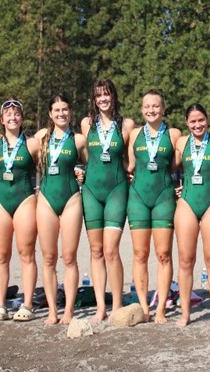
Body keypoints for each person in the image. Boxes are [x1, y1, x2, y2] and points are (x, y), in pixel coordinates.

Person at [80, 79, 135, 322]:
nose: (103, 99)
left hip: (116, 190)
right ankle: (100, 306)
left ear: (114, 96)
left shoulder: (127, 124)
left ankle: (117, 304)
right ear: (94, 99)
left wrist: (134, 171)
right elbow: (83, 153)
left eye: (107, 94)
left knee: (111, 249)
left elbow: (130, 159)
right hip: (91, 191)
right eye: (98, 95)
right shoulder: (86, 123)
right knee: (96, 250)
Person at [127, 90, 181, 323]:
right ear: (141, 110)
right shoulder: (134, 134)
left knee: (163, 255)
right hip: (138, 198)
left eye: (156, 106)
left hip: (163, 198)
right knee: (140, 254)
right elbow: (129, 165)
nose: (151, 110)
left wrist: (182, 185)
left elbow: (183, 161)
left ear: (163, 109)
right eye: (147, 106)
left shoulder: (174, 134)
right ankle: (143, 307)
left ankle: (160, 308)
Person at [174, 104, 210, 327]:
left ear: (207, 120)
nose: (197, 125)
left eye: (201, 120)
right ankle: (185, 313)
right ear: (186, 123)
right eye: (192, 121)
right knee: (186, 260)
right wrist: (176, 186)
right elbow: (169, 167)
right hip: (187, 203)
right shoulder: (180, 143)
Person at [35, 94, 88, 324]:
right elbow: (15, 148)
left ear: (70, 112)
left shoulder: (78, 140)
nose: (61, 114)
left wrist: (83, 174)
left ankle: (68, 310)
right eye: (56, 110)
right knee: (48, 258)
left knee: (69, 257)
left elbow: (90, 164)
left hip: (71, 200)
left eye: (65, 109)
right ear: (50, 113)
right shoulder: (40, 138)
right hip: (46, 200)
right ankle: (52, 311)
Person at [0, 99, 39, 321]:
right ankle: (0, 305)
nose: (12, 117)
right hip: (0, 201)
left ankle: (27, 304)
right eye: (8, 114)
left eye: (16, 114)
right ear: (1, 120)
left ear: (22, 119)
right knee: (1, 255)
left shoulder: (32, 144)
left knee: (26, 253)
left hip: (25, 199)